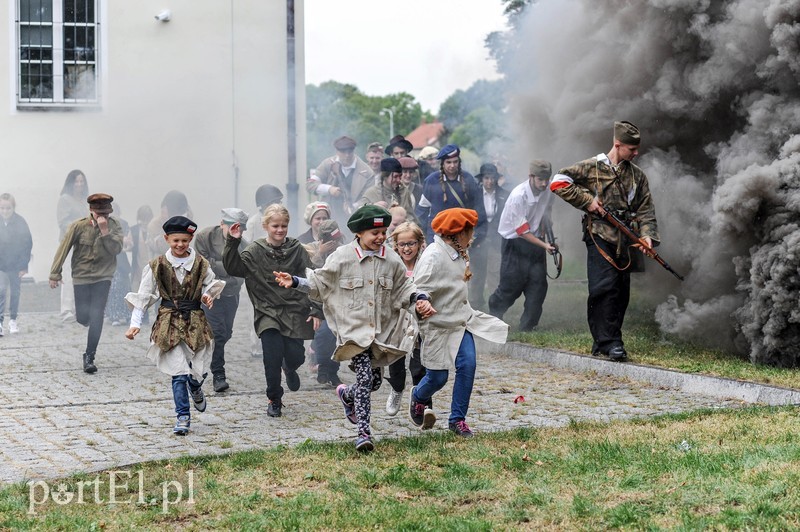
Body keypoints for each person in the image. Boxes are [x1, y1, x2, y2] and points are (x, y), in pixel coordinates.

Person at [274, 204, 435, 452]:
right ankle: (363, 432)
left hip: (381, 334)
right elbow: (320, 283)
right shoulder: (342, 256)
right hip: (353, 332)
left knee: (372, 382)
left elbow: (405, 288)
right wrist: (295, 282)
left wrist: (420, 299)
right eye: (374, 233)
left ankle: (347, 394)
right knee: (363, 376)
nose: (380, 238)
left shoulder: (391, 259)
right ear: (359, 233)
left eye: (383, 233)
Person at [550, 121, 660, 362]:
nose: (636, 153)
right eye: (631, 148)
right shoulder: (592, 167)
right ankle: (611, 343)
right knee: (604, 288)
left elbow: (646, 210)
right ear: (617, 145)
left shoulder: (637, 176)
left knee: (621, 292)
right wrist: (587, 201)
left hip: (626, 240)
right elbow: (558, 182)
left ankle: (605, 339)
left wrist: (647, 236)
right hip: (599, 235)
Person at [410, 208, 508, 437]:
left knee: (468, 366)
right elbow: (415, 290)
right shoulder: (433, 256)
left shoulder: (458, 251)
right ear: (457, 233)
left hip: (460, 323)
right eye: (469, 232)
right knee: (438, 377)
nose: (472, 237)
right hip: (436, 326)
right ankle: (418, 397)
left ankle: (457, 420)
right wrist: (421, 302)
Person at [124, 215, 224, 435]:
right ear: (166, 239)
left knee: (198, 370)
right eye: (176, 240)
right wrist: (135, 324)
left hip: (195, 321)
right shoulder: (156, 266)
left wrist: (208, 295)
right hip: (168, 322)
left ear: (191, 239)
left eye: (185, 241)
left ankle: (196, 387)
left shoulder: (200, 264)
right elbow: (144, 296)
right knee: (178, 372)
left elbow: (212, 284)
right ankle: (183, 415)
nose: (180, 245)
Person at [223, 204, 320, 418]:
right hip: (267, 310)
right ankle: (274, 398)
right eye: (275, 225)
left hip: (295, 310)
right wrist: (233, 241)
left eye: (284, 226)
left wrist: (316, 308)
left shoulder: (296, 249)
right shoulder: (255, 250)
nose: (280, 230)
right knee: (271, 356)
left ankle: (290, 367)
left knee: (296, 356)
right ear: (266, 226)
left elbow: (314, 278)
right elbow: (234, 268)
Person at [49, 193, 124, 373]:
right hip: (81, 276)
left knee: (97, 314)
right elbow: (63, 248)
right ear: (91, 210)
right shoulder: (78, 226)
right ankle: (88, 321)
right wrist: (55, 273)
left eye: (105, 213)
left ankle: (89, 356)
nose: (102, 217)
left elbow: (116, 250)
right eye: (99, 213)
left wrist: (105, 232)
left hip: (103, 276)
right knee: (83, 316)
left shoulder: (114, 226)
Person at [488, 161, 555, 330]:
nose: (544, 183)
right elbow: (522, 231)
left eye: (547, 179)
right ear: (531, 177)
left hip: (537, 242)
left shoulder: (547, 191)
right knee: (511, 286)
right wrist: (545, 246)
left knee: (538, 286)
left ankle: (527, 326)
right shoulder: (518, 195)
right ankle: (494, 317)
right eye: (540, 179)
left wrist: (550, 238)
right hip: (515, 243)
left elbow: (546, 216)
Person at [194, 208, 250, 393]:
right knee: (218, 332)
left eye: (241, 229)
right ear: (222, 224)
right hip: (209, 292)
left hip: (231, 293)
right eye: (234, 227)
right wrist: (228, 267)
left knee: (226, 333)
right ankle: (218, 373)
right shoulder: (205, 237)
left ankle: (204, 349)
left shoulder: (244, 246)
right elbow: (202, 264)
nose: (237, 232)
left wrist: (221, 267)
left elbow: (240, 273)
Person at [383, 221, 427, 416]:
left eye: (411, 243)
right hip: (397, 320)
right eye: (402, 244)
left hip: (420, 320)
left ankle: (421, 399)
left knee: (419, 364)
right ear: (396, 246)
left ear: (419, 243)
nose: (407, 248)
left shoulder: (426, 264)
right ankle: (397, 389)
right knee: (396, 361)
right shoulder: (392, 264)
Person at [416, 144, 487, 245]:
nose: (452, 165)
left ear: (459, 162)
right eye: (448, 162)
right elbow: (422, 211)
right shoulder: (431, 181)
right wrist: (426, 235)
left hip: (462, 237)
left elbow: (478, 210)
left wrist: (477, 236)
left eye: (455, 162)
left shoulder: (469, 180)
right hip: (437, 237)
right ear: (442, 163)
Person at [243, 184, 284, 359]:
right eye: (272, 202)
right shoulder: (253, 223)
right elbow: (245, 247)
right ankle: (256, 345)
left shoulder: (280, 221)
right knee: (256, 308)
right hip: (257, 272)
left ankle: (276, 341)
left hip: (276, 270)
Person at [303, 219, 345, 387]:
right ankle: (322, 368)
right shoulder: (311, 249)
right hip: (318, 302)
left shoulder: (344, 250)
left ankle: (333, 371)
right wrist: (320, 253)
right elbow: (310, 275)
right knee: (322, 336)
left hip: (339, 302)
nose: (334, 244)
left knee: (337, 339)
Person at [307, 136, 374, 225]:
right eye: (343, 152)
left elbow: (369, 197)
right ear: (337, 151)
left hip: (356, 219)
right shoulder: (327, 164)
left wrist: (354, 207)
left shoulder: (366, 172)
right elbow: (310, 184)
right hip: (329, 218)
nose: (347, 155)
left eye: (349, 152)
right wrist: (329, 189)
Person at [469, 163, 510, 310]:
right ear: (482, 179)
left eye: (492, 178)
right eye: (486, 178)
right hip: (477, 241)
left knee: (495, 275)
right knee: (476, 276)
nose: (489, 181)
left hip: (496, 241)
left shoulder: (504, 195)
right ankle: (475, 307)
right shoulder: (474, 195)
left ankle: (496, 308)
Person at [56, 169, 90, 322]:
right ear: (71, 183)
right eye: (76, 181)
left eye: (82, 181)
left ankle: (80, 309)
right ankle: (66, 310)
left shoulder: (85, 200)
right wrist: (79, 228)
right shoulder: (65, 199)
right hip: (70, 242)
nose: (79, 184)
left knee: (82, 275)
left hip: (85, 243)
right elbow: (62, 222)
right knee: (69, 276)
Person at [0, 193, 33, 336]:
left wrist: (23, 265)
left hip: (15, 265)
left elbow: (27, 244)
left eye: (8, 208)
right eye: (2, 208)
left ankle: (13, 319)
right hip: (1, 265)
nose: (5, 211)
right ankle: (0, 322)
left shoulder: (20, 222)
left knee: (15, 292)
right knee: (1, 290)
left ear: (13, 208)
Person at [104, 203, 133, 326]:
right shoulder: (104, 226)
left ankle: (126, 315)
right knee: (112, 288)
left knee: (124, 287)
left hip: (121, 260)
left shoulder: (125, 224)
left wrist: (126, 244)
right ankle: (113, 315)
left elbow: (130, 244)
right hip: (109, 260)